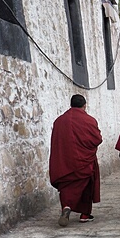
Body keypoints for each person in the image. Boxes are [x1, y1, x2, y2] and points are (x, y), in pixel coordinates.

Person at [49, 94, 103, 226]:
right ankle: (84, 214)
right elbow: (97, 139)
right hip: (84, 161)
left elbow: (56, 141)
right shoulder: (89, 120)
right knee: (86, 185)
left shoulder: (59, 121)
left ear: (71, 104)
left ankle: (66, 207)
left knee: (67, 185)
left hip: (64, 161)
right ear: (84, 106)